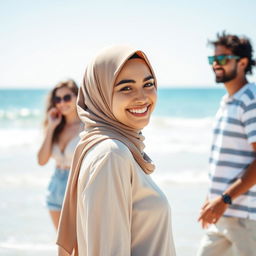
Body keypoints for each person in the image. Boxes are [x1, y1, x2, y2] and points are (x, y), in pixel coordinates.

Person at [56, 45, 176, 256]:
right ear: (99, 94)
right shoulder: (111, 155)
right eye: (126, 88)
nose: (142, 97)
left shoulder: (110, 148)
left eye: (148, 84)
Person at [197, 32, 256, 256]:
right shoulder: (227, 102)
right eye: (213, 60)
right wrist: (211, 199)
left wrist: (225, 199)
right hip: (222, 213)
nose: (215, 65)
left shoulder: (251, 99)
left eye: (222, 59)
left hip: (245, 217)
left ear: (242, 63)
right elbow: (224, 161)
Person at [37, 79, 83, 230]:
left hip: (78, 188)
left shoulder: (87, 126)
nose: (62, 103)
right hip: (55, 188)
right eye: (57, 99)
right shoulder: (55, 127)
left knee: (79, 249)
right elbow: (41, 160)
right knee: (63, 250)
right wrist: (51, 127)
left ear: (77, 97)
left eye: (67, 97)